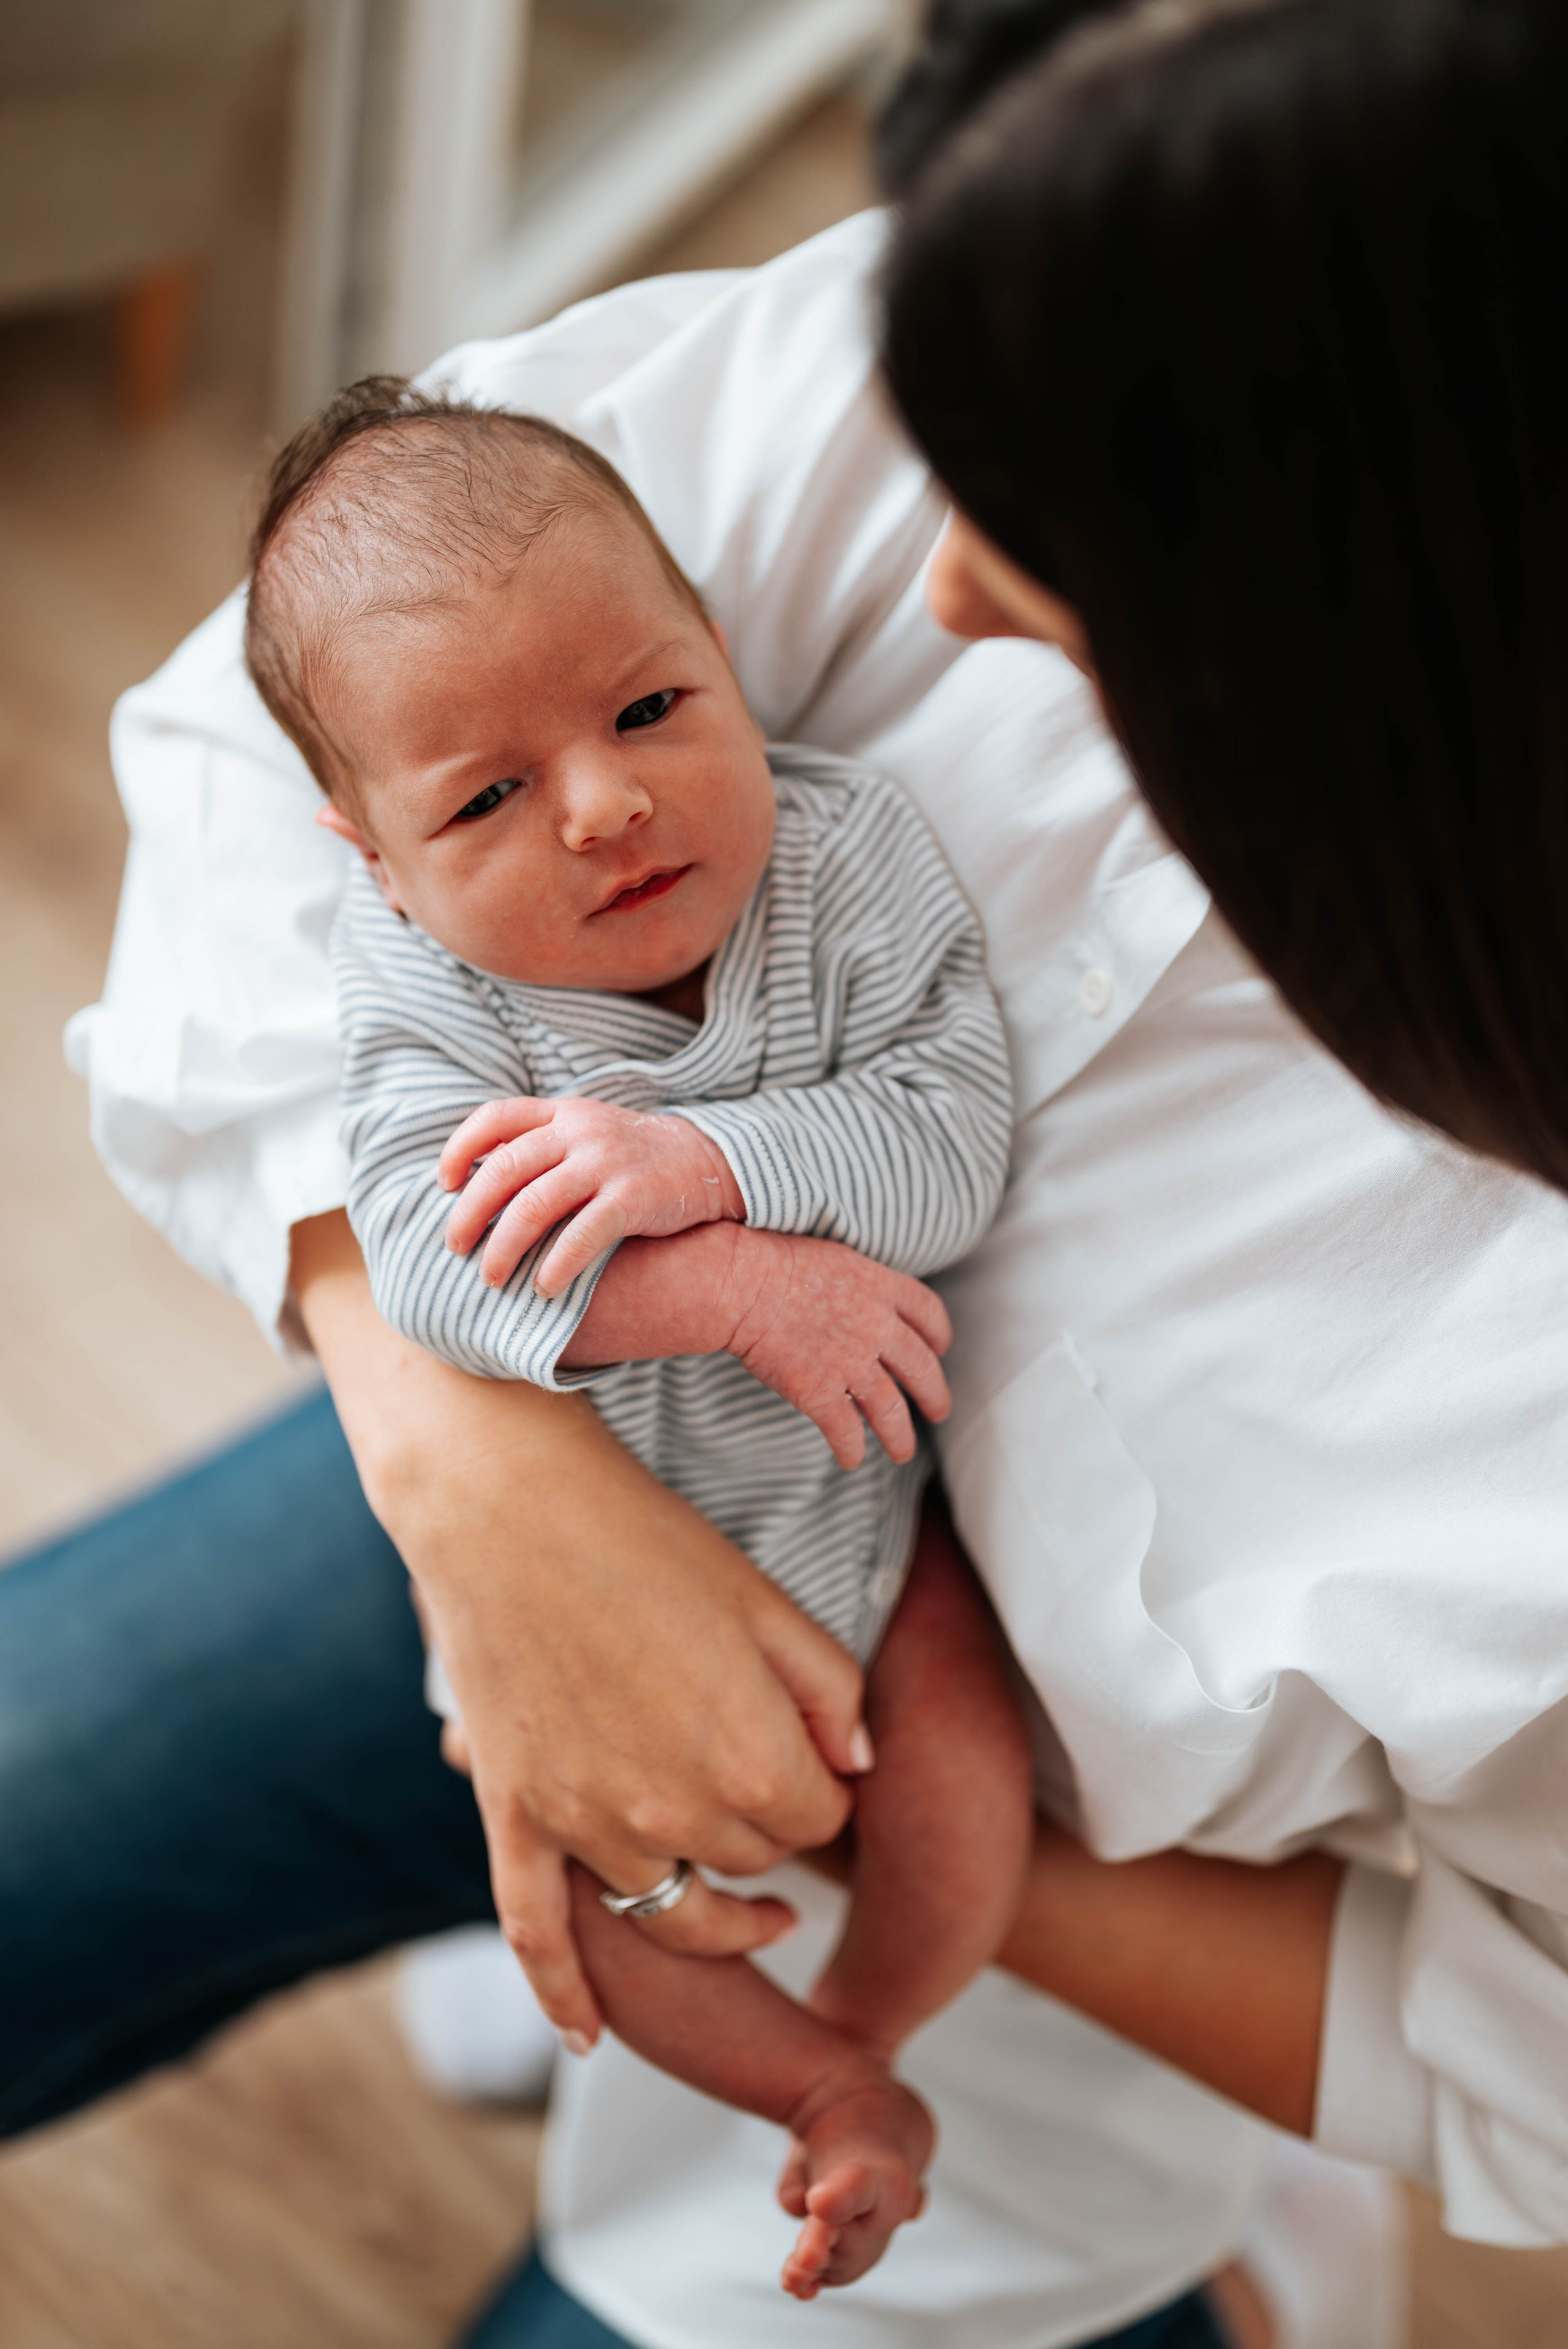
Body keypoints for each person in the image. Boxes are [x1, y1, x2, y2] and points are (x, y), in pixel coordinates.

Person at [5, 0, 1566, 2341]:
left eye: (1049, 526)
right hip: (552, 1444)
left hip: (1020, 1860)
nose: (937, 590)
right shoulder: (1128, 252)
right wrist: (487, 1499)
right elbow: (277, 704)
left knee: (804, 2147)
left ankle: (1187, 2259)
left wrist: (790, 1767)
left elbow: (1529, 2055)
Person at [245, 379, 1030, 2296]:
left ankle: (876, 2024)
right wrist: (739, 1281)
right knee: (583, 1914)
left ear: (721, 651)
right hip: (565, 1567)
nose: (603, 802)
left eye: (650, 707)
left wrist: (704, 1161)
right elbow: (435, 1274)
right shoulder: (428, 990)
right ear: (380, 857)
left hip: (870, 1531)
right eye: (490, 798)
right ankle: (822, 2090)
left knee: (965, 1757)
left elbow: (953, 1140)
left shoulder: (849, 866)